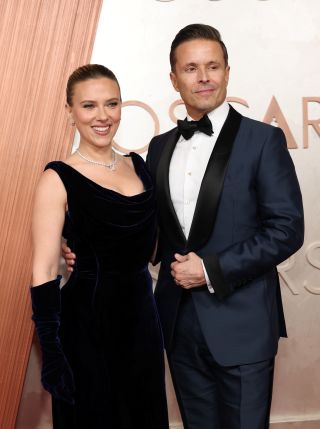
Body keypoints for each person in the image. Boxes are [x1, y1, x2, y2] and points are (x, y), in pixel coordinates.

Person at [64, 25, 304, 429]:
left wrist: (210, 269)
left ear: (228, 71)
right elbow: (151, 233)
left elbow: (287, 228)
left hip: (242, 324)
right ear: (174, 78)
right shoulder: (160, 147)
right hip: (177, 325)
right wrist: (91, 254)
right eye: (191, 68)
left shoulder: (263, 141)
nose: (204, 76)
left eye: (213, 66)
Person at [30, 64, 169, 429]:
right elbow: (43, 271)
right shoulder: (57, 178)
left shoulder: (139, 166)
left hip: (142, 321)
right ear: (71, 112)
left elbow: (150, 246)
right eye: (89, 106)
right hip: (86, 325)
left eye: (112, 104)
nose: (102, 116)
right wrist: (52, 349)